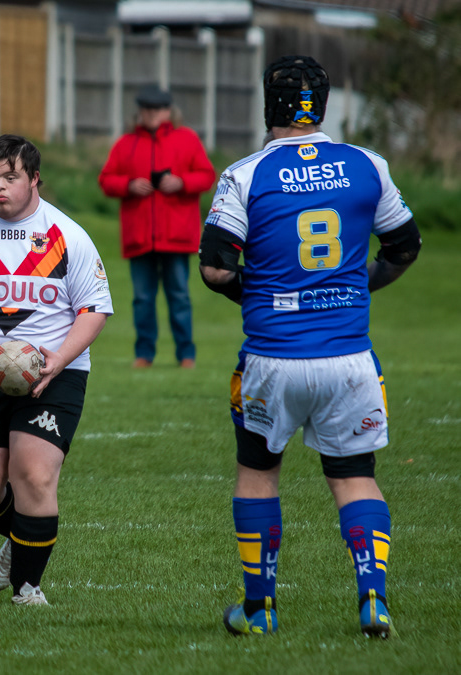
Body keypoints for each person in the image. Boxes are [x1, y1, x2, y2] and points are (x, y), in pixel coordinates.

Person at [199, 55, 421, 637]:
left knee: (258, 470)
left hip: (273, 358)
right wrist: (357, 286)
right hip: (349, 358)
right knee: (353, 475)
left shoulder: (244, 174)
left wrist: (265, 293)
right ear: (322, 105)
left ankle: (259, 609)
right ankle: (373, 599)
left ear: (268, 104)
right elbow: (403, 245)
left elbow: (217, 270)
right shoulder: (367, 165)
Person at [0, 135, 113, 605]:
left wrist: (59, 359)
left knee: (32, 474)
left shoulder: (67, 235)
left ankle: (27, 588)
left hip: (54, 372)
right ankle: (21, 537)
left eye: (10, 177)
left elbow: (94, 308)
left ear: (34, 180)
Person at [99, 84, 215, 369]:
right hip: (140, 237)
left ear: (168, 111)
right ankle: (144, 355)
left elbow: (207, 175)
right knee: (142, 299)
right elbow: (106, 180)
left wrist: (182, 182)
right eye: (146, 109)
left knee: (179, 297)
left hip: (176, 236)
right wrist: (129, 185)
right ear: (139, 111)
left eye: (157, 109)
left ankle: (186, 355)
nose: (151, 114)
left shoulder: (186, 139)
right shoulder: (125, 143)